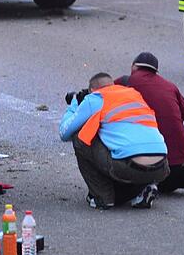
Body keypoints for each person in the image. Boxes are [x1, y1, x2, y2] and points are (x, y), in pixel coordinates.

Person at [59, 72, 170, 209]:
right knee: (124, 144)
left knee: (80, 137)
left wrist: (74, 105)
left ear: (92, 90)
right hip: (162, 166)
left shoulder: (95, 98)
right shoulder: (134, 94)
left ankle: (103, 197)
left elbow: (65, 133)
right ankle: (144, 188)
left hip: (127, 167)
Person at [117, 52, 184, 197]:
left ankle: (148, 183)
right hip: (180, 159)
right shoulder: (169, 86)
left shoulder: (125, 82)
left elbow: (101, 97)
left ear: (134, 67)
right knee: (172, 176)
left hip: (150, 161)